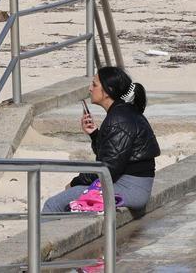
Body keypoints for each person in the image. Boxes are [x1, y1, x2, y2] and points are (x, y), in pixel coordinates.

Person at [42, 67, 160, 214]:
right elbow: (113, 155)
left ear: (108, 90)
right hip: (132, 184)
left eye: (95, 85)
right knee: (69, 201)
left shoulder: (118, 119)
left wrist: (75, 182)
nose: (90, 89)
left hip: (130, 188)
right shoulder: (123, 113)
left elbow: (108, 167)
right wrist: (94, 134)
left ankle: (44, 237)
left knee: (53, 205)